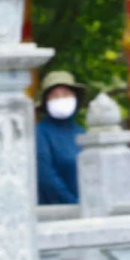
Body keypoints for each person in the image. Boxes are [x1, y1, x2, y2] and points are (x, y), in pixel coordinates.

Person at [36, 69, 84, 206]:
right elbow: (45, 176)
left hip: (87, 206)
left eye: (66, 94)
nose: (61, 99)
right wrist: (72, 203)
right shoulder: (40, 133)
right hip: (56, 210)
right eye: (54, 96)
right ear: (45, 102)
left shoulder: (81, 132)